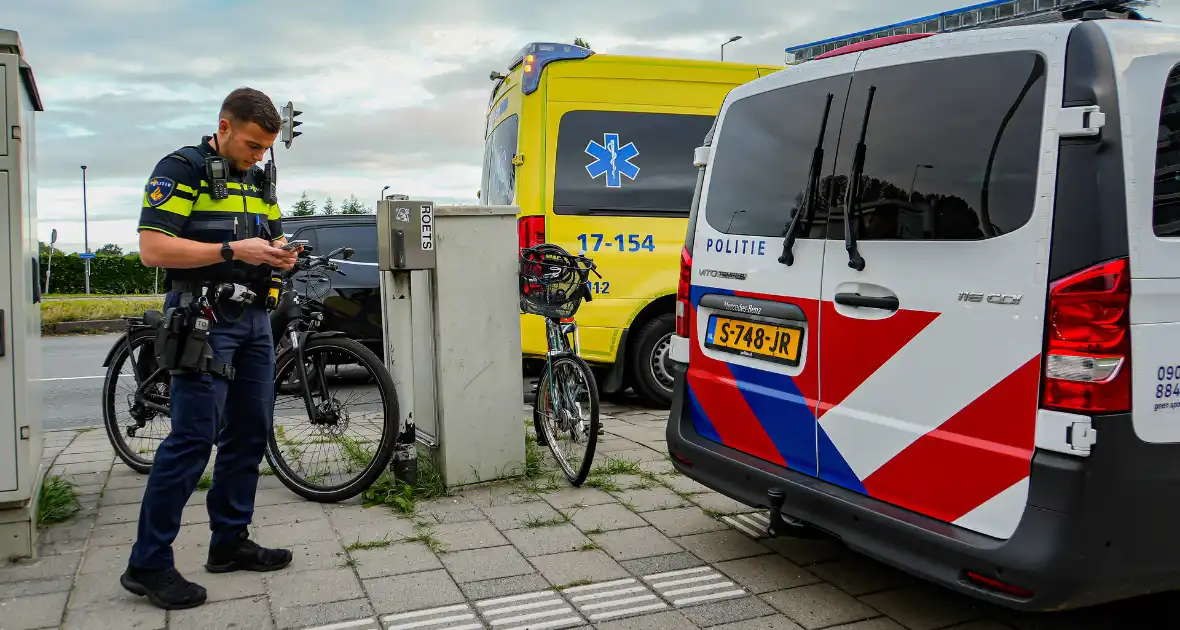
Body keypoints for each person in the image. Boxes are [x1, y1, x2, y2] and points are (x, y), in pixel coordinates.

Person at [121, 87, 301, 610]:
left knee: (249, 431)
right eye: (251, 144)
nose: (258, 155)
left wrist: (280, 255)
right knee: (192, 439)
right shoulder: (181, 169)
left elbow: (270, 235)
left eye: (266, 147)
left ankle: (229, 542)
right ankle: (147, 563)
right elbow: (152, 248)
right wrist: (229, 248)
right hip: (201, 320)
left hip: (253, 321)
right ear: (223, 126)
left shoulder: (258, 178)